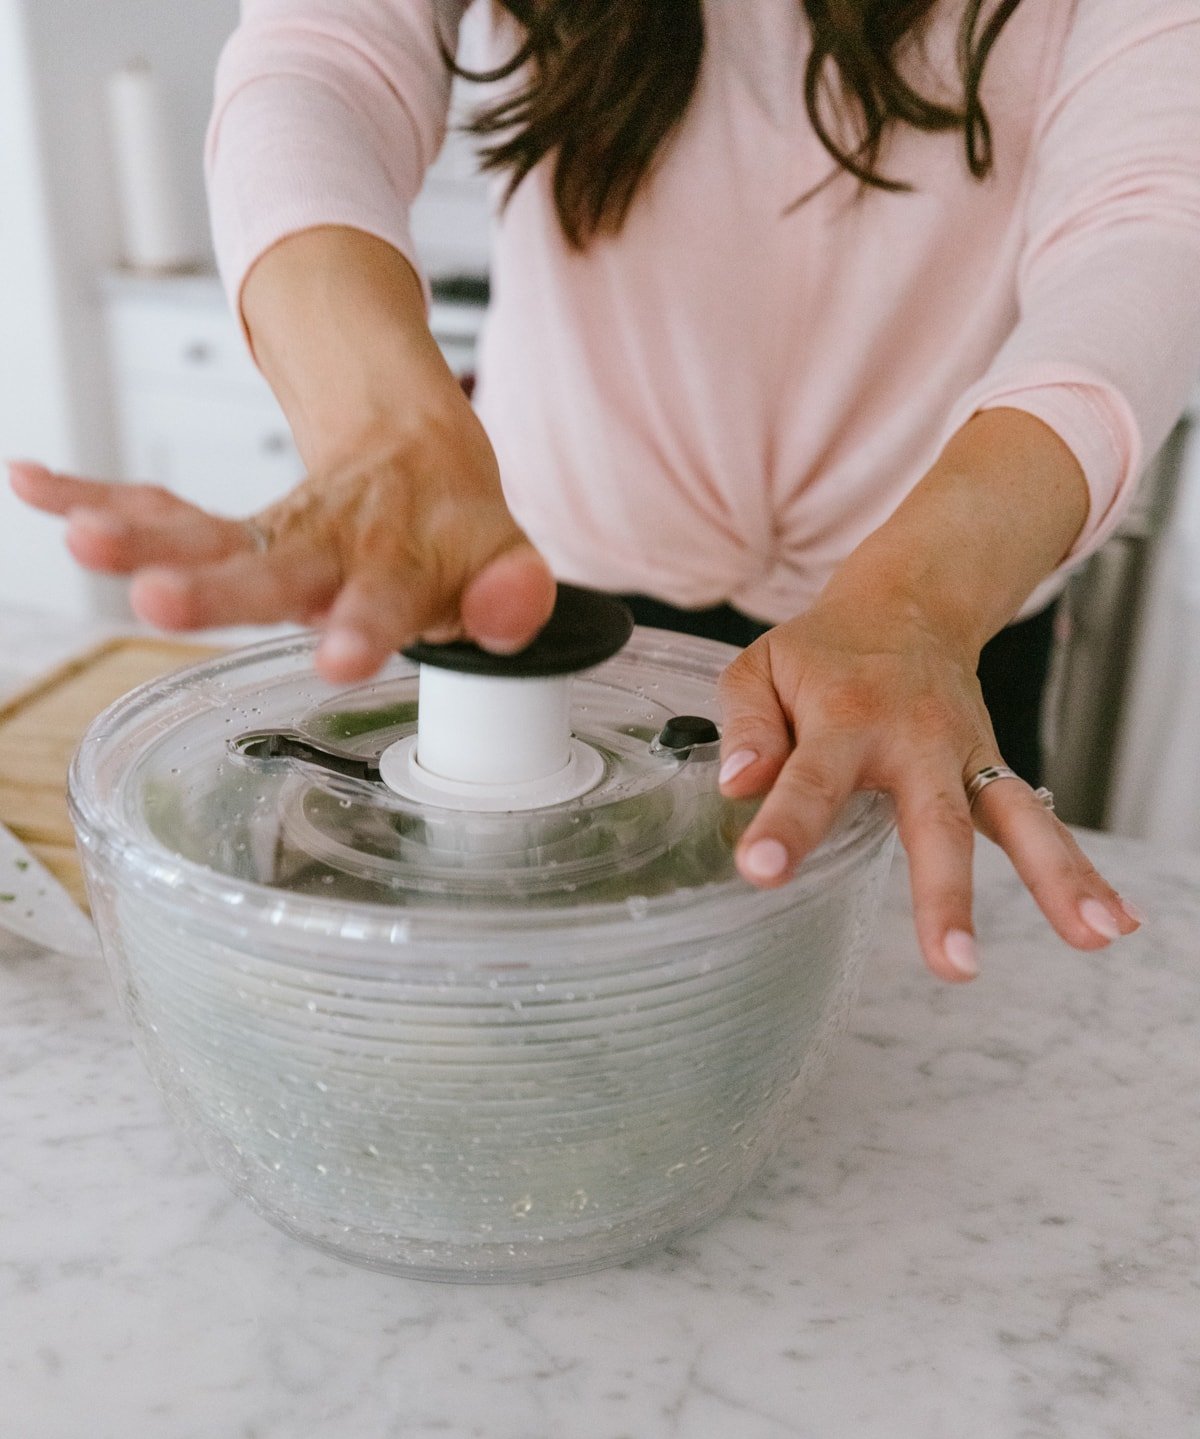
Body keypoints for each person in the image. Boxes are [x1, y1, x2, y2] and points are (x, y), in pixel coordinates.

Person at [12, 0, 1200, 981]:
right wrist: (382, 422)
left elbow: (1148, 230)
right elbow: (320, 60)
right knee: (555, 1003)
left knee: (889, 1013)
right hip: (551, 609)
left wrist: (922, 598)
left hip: (924, 631)